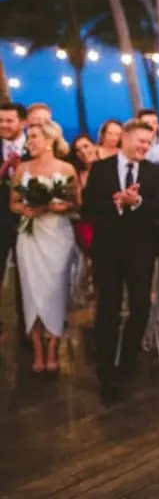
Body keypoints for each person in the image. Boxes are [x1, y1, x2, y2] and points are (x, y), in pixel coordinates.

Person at [83, 120, 159, 402]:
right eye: (141, 141)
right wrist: (117, 202)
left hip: (141, 251)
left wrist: (139, 202)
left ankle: (127, 363)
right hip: (107, 250)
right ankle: (106, 373)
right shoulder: (101, 169)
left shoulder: (154, 173)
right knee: (108, 309)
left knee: (141, 306)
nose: (145, 146)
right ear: (126, 139)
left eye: (149, 142)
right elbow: (87, 209)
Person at [11, 122, 79, 372]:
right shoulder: (22, 168)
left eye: (35, 137)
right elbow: (13, 203)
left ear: (50, 140)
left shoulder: (66, 168)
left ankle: (53, 348)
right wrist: (26, 209)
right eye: (29, 138)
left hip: (57, 235)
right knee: (31, 292)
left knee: (56, 290)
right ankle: (38, 350)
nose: (30, 142)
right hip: (30, 236)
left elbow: (76, 203)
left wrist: (59, 207)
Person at [0, 102, 28, 343]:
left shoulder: (35, 148)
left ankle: (26, 328)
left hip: (27, 222)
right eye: (0, 121)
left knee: (25, 276)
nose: (4, 125)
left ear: (23, 122)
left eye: (9, 121)